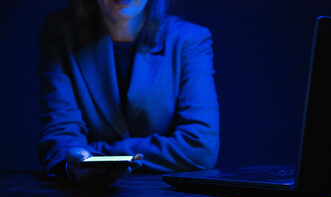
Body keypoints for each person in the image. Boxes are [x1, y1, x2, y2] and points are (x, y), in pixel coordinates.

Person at [37, 0, 219, 185]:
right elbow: (60, 130)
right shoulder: (60, 31)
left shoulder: (189, 38)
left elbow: (199, 147)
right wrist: (73, 163)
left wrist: (92, 153)